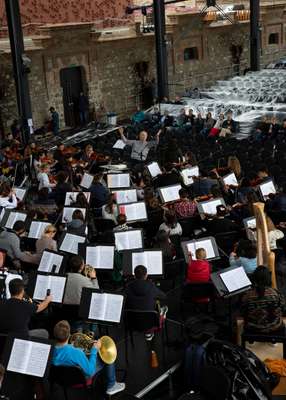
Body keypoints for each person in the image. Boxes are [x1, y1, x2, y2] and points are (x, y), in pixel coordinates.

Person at [52, 320, 125, 395]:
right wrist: (94, 350)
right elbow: (90, 371)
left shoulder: (51, 348)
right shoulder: (77, 353)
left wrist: (74, 347)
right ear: (69, 335)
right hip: (80, 379)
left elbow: (65, 353)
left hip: (61, 379)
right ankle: (111, 386)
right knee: (107, 354)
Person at [125, 265, 167, 341]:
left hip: (132, 323)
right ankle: (149, 332)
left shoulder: (127, 287)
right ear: (146, 275)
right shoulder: (151, 286)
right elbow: (164, 296)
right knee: (160, 305)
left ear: (134, 275)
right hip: (150, 324)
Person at [241, 266, 285, 333]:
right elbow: (283, 309)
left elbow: (242, 312)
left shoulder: (247, 296)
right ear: (268, 279)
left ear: (254, 279)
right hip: (275, 328)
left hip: (252, 329)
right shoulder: (276, 294)